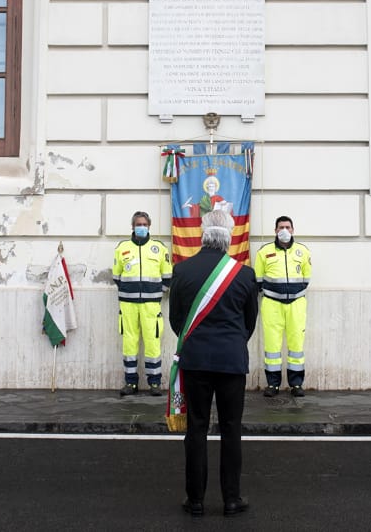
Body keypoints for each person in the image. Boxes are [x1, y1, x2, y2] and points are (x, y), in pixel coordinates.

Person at [169, 209, 259, 518]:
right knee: (231, 429)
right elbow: (250, 322)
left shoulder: (182, 271)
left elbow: (176, 320)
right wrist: (232, 342)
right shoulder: (245, 274)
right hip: (232, 361)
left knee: (196, 429)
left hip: (195, 361)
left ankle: (195, 501)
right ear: (228, 239)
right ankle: (231, 500)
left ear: (203, 235)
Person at [113, 211, 173, 396]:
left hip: (151, 305)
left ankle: (154, 382)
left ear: (149, 227)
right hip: (128, 305)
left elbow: (167, 276)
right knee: (129, 343)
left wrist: (156, 294)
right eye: (138, 224)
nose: (141, 227)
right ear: (132, 226)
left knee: (152, 342)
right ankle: (130, 383)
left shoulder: (159, 248)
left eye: (145, 224)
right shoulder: (122, 248)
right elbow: (116, 276)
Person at [254, 216, 312, 397]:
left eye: (287, 227)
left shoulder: (303, 251)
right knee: (272, 345)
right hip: (272, 304)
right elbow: (258, 280)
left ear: (293, 230)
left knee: (296, 345)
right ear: (275, 231)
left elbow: (306, 279)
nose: (284, 230)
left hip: (296, 304)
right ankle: (273, 385)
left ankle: (296, 384)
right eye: (280, 227)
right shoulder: (264, 252)